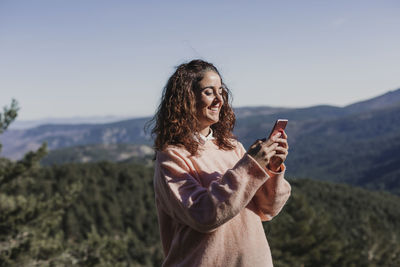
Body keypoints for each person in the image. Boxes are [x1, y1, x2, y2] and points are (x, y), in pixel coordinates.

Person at [151, 59, 291, 267]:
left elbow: (268, 209)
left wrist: (271, 167)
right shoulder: (172, 157)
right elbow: (205, 215)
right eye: (209, 92)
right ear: (185, 99)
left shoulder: (233, 147)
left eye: (221, 92)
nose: (219, 100)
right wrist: (251, 166)